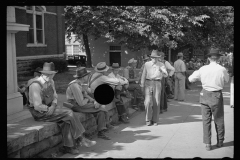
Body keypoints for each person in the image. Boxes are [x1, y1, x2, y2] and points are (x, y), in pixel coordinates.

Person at [26, 62, 96, 155]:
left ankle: (69, 147)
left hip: (51, 108)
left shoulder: (51, 81)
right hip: (40, 113)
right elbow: (37, 106)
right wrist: (48, 109)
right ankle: (81, 139)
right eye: (48, 74)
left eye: (51, 74)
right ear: (43, 74)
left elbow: (55, 97)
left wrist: (53, 106)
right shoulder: (35, 85)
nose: (50, 76)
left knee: (66, 120)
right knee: (69, 113)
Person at [188, 49, 229, 151]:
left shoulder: (203, 69)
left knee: (206, 120)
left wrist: (201, 79)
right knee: (219, 119)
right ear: (218, 58)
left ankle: (208, 143)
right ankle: (220, 141)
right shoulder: (222, 69)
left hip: (205, 93)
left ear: (208, 58)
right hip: (216, 94)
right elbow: (227, 80)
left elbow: (190, 79)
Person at [66, 67, 114, 140]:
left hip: (81, 104)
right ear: (83, 77)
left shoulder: (80, 83)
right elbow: (81, 103)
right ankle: (106, 124)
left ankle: (101, 131)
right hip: (75, 105)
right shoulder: (74, 85)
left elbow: (85, 95)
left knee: (100, 110)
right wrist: (90, 101)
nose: (88, 76)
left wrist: (94, 101)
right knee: (101, 108)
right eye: (87, 75)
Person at [140, 50, 168, 126]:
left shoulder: (161, 64)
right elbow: (143, 74)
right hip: (148, 82)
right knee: (147, 101)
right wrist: (142, 85)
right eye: (153, 58)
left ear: (158, 58)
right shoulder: (147, 64)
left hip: (157, 82)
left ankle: (155, 120)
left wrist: (162, 71)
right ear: (151, 57)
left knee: (157, 102)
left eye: (156, 58)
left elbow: (166, 75)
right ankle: (148, 119)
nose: (154, 59)